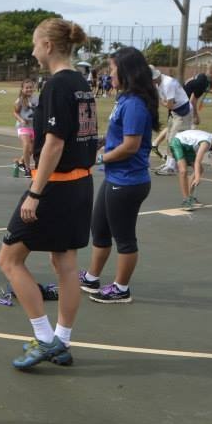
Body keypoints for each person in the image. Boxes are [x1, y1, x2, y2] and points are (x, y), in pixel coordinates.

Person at [0, 18, 97, 369]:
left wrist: (35, 193)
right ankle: (62, 341)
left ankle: (43, 339)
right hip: (81, 183)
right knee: (64, 264)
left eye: (35, 43)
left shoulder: (57, 85)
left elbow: (53, 144)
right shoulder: (82, 83)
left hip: (55, 186)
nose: (32, 49)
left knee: (8, 260)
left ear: (49, 46)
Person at [79, 47, 159, 304]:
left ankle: (121, 289)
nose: (108, 73)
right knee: (99, 229)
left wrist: (99, 157)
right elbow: (117, 138)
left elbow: (130, 146)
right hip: (116, 178)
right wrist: (99, 142)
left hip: (128, 182)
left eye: (112, 68)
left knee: (124, 238)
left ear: (126, 71)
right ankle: (92, 278)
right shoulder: (125, 99)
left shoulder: (135, 103)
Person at [168, 129, 212, 211]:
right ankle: (186, 200)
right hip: (177, 142)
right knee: (183, 171)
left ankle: (189, 196)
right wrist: (197, 177)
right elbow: (197, 161)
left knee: (199, 169)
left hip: (188, 147)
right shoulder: (206, 142)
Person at [150, 66, 192, 176]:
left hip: (183, 112)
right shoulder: (158, 83)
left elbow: (169, 105)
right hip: (175, 112)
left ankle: (172, 166)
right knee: (169, 137)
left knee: (174, 139)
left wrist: (160, 101)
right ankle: (168, 163)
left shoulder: (167, 84)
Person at [13, 78, 39, 177]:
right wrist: (21, 120)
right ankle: (28, 170)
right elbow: (15, 112)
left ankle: (20, 162)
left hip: (34, 126)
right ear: (22, 89)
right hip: (23, 126)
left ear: (34, 88)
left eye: (31, 87)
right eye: (27, 88)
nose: (29, 89)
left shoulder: (37, 98)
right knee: (26, 145)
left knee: (32, 150)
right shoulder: (19, 100)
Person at [184, 62, 212, 128]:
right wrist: (195, 115)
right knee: (183, 128)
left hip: (184, 103)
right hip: (182, 104)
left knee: (174, 126)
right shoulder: (202, 81)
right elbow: (192, 101)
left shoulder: (205, 79)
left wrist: (207, 90)